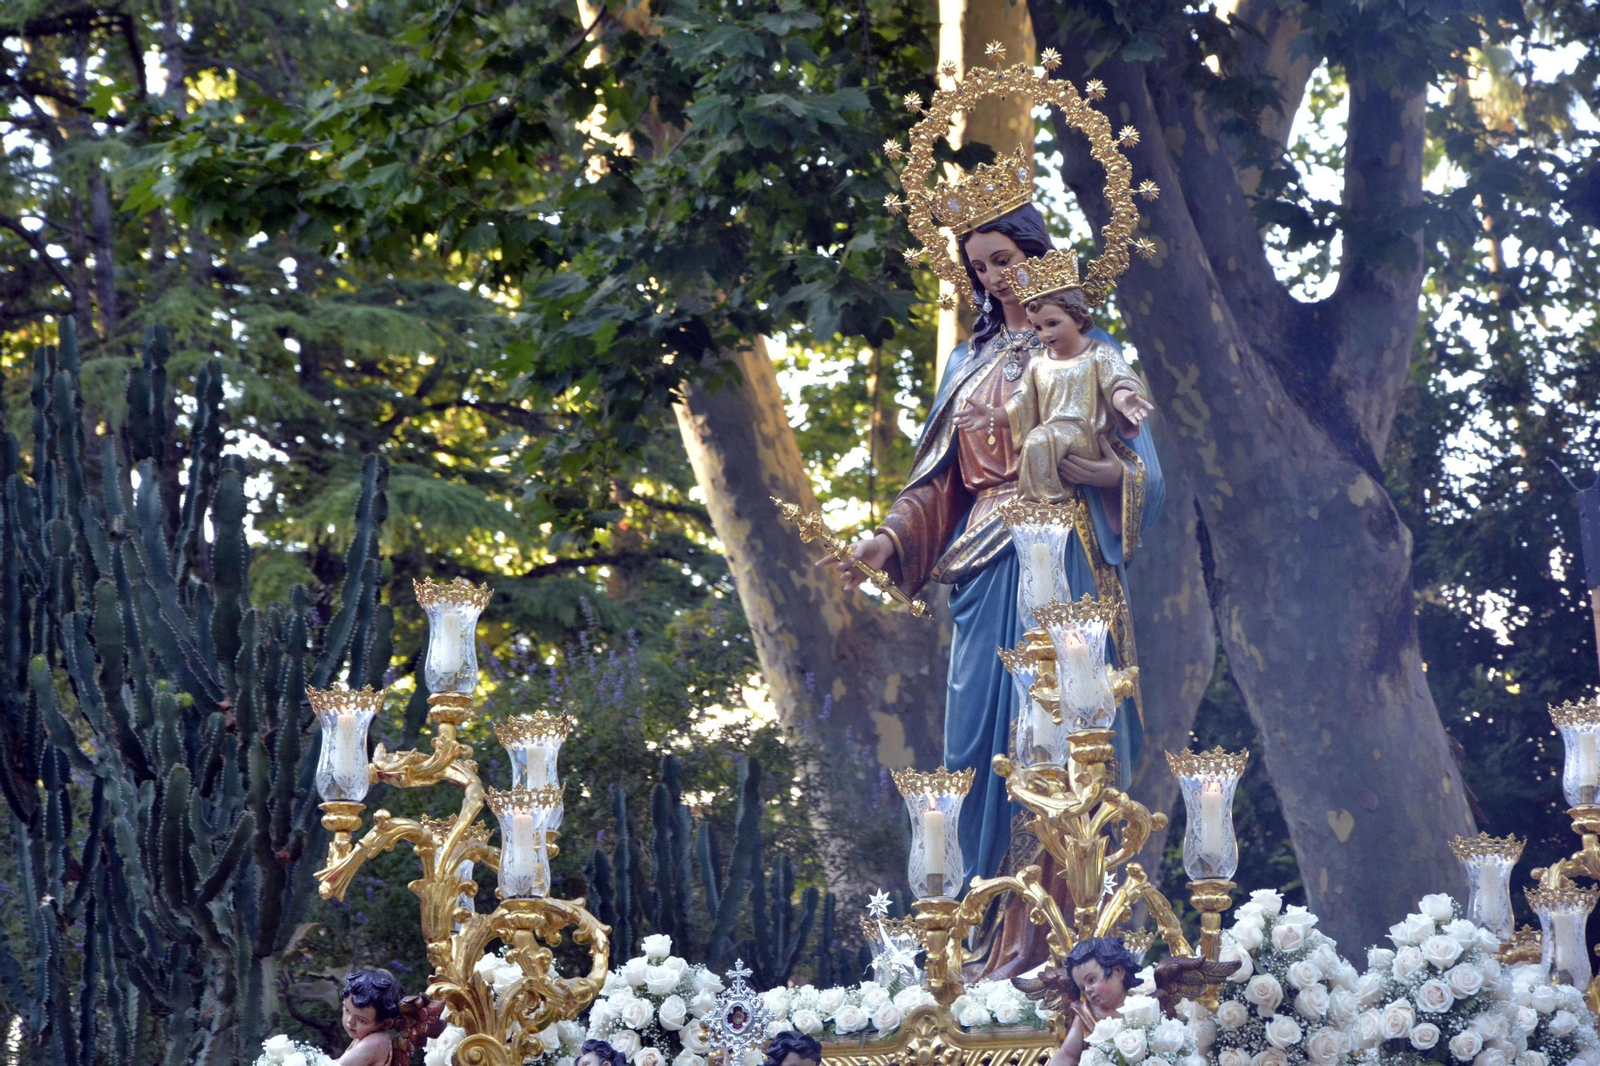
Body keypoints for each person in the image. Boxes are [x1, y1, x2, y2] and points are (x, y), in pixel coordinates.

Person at [821, 201, 1164, 979]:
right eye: (979, 267)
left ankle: (1057, 947)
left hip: (1064, 552)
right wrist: (888, 538)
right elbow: (938, 482)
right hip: (979, 561)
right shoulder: (965, 365)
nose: (993, 277)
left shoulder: (1088, 348)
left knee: (1052, 731)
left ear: (1039, 255)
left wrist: (1107, 474)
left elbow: (1145, 468)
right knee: (975, 746)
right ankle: (977, 941)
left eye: (1005, 259)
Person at [977, 254, 1153, 504]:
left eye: (1052, 323)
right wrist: (992, 415)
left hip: (1086, 436)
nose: (1045, 334)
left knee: (1039, 439)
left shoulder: (1099, 354)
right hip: (1053, 437)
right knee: (1037, 440)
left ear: (1078, 318)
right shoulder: (1038, 363)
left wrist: (1125, 401)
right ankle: (1036, 508)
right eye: (1037, 327)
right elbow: (1022, 405)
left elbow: (1117, 383)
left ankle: (1045, 508)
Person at [1040, 937, 1140, 1066]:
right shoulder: (1086, 1014)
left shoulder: (1142, 1007)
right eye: (1082, 988)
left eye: (1091, 980)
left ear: (1118, 971)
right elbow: (1067, 1054)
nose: (1088, 990)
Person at [338, 968, 404, 1066]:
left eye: (362, 1020)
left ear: (385, 1024)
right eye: (347, 1010)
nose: (350, 1021)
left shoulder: (375, 1042)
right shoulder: (362, 1037)